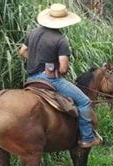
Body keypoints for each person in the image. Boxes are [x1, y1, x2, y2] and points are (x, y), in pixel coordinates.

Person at [19, 3, 102, 148]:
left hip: (31, 79)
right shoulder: (60, 39)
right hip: (50, 79)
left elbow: (22, 51)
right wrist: (51, 68)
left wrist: (35, 61)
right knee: (84, 101)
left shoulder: (33, 32)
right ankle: (87, 138)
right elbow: (63, 69)